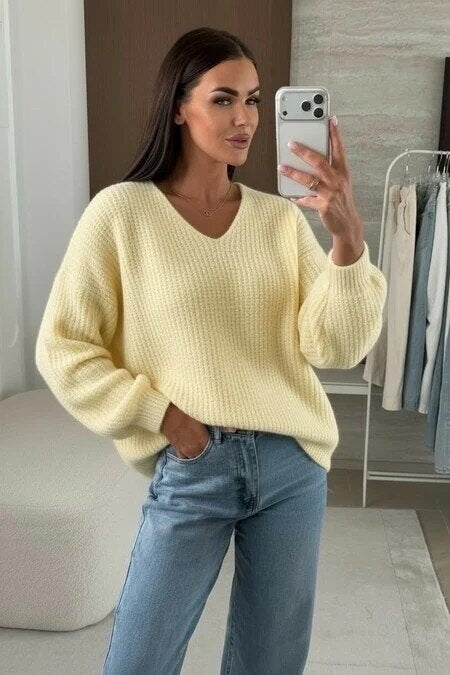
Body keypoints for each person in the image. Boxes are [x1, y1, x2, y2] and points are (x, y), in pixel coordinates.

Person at [35, 27, 387, 675]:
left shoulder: (280, 220)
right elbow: (64, 347)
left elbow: (335, 346)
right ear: (179, 106)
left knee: (269, 662)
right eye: (223, 99)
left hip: (291, 465)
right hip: (193, 464)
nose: (245, 118)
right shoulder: (122, 213)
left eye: (253, 100)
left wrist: (347, 241)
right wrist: (166, 418)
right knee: (138, 660)